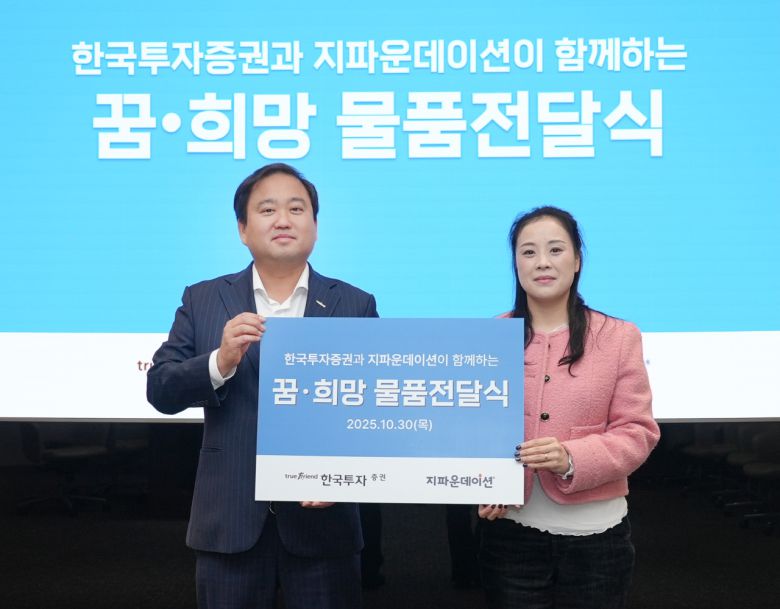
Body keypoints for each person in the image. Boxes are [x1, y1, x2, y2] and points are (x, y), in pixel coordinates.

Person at [147, 163, 378, 609]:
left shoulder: (354, 303)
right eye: (268, 209)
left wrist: (344, 477)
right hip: (229, 522)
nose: (283, 220)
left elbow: (375, 410)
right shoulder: (203, 298)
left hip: (323, 527)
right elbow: (160, 389)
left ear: (315, 226)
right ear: (242, 229)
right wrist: (220, 361)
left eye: (297, 208)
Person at [478, 206, 660, 609]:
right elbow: (472, 430)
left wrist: (571, 458)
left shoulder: (618, 337)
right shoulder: (491, 335)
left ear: (577, 260)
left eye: (555, 249)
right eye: (528, 252)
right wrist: (482, 482)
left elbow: (638, 432)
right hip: (511, 536)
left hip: (597, 541)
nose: (542, 262)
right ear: (515, 264)